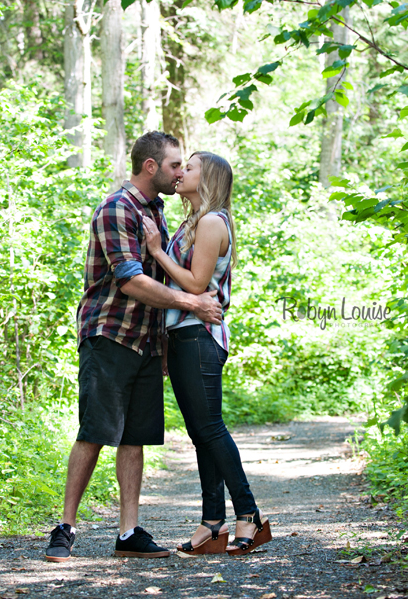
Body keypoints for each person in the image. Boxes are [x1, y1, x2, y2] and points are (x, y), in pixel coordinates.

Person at [45, 132, 224, 563]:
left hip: (146, 340)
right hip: (109, 334)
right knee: (95, 430)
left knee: (134, 437)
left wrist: (162, 342)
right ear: (151, 167)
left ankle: (128, 532)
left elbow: (165, 270)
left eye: (185, 166)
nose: (180, 171)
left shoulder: (156, 211)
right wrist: (193, 303)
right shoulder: (116, 208)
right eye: (175, 165)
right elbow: (130, 279)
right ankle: (65, 527)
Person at [140, 152, 272, 556]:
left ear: (208, 178)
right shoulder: (193, 222)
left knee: (210, 429)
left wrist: (158, 251)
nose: (180, 172)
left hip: (200, 335)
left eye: (190, 168)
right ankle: (212, 523)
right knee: (201, 435)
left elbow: (197, 286)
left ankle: (248, 514)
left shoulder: (213, 222)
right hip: (183, 335)